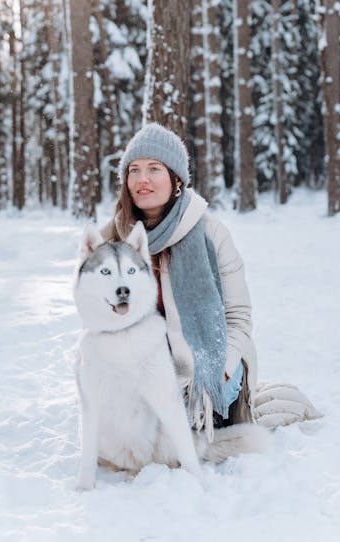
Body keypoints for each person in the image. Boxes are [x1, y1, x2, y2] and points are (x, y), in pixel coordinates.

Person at [103, 122, 258, 440]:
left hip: (210, 367)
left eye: (154, 169)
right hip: (145, 368)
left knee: (179, 427)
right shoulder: (112, 240)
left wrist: (218, 371)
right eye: (134, 170)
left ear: (176, 180)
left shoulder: (211, 234)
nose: (142, 179)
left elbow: (238, 318)